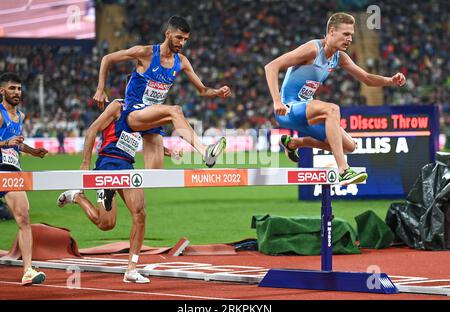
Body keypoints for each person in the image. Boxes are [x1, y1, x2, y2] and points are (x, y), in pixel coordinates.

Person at [264, 12, 406, 185]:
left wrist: (390, 80)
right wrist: (277, 101)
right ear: (331, 32)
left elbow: (367, 78)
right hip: (288, 109)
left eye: (352, 35)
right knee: (332, 109)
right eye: (345, 34)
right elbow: (271, 66)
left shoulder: (340, 57)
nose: (350, 39)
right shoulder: (313, 49)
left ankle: (294, 143)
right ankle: (343, 170)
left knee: (349, 146)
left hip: (306, 115)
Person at [56, 99, 181, 283]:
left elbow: (147, 142)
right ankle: (77, 197)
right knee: (107, 223)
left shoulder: (143, 114)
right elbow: (92, 130)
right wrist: (85, 164)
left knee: (140, 213)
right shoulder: (117, 106)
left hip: (127, 167)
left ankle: (131, 268)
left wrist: (168, 151)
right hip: (107, 164)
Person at [93, 15, 231, 170]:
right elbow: (107, 59)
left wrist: (217, 92)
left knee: (155, 176)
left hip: (152, 119)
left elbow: (203, 90)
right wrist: (100, 89)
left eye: (185, 39)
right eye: (179, 38)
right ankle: (205, 150)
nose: (182, 43)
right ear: (168, 34)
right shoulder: (146, 53)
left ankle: (112, 192)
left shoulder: (182, 61)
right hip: (133, 112)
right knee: (175, 110)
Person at [0, 72, 49, 285]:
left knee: (24, 218)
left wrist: (32, 151)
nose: (17, 92)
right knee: (23, 218)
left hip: (12, 171)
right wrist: (5, 143)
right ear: (2, 91)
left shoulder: (20, 116)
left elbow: (17, 144)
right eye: (12, 88)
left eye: (19, 88)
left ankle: (28, 269)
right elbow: (9, 142)